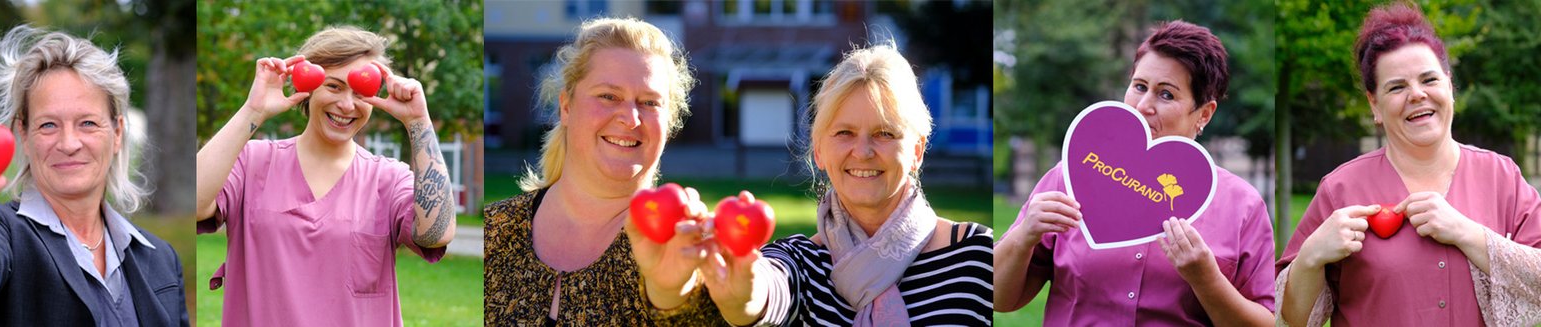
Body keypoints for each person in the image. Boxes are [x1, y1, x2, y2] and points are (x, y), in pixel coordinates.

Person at [636, 43, 995, 326]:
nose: (863, 151)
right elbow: (765, 291)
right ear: (820, 151)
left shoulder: (977, 254)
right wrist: (740, 294)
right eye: (844, 133)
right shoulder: (799, 261)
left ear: (916, 151)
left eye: (884, 133)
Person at [994, 20, 1277, 326]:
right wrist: (1023, 237)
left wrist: (1207, 280)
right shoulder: (1073, 177)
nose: (1143, 105)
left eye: (1166, 95)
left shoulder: (1241, 206)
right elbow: (1001, 299)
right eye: (1139, 86)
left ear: (1204, 114)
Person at [1275, 3, 1541, 326]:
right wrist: (1311, 256)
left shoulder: (1502, 177)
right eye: (1397, 87)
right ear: (1374, 104)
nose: (1417, 95)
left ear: (1449, 86)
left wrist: (1467, 233)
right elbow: (1292, 317)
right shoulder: (1340, 189)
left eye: (1429, 79)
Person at [195, 26, 455, 326]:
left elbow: (437, 233)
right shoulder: (253, 162)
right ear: (307, 87)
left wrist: (418, 121)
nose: (347, 105)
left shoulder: (388, 179)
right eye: (333, 86)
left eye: (360, 92)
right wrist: (254, 110)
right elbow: (194, 202)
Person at [481, 17, 724, 325]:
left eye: (649, 102)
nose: (631, 118)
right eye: (609, 96)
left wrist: (673, 294)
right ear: (566, 107)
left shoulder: (687, 247)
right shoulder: (495, 231)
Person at [0, 25, 188, 326]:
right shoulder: (2, 232)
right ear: (24, 134)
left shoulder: (162, 257)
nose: (68, 144)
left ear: (118, 132)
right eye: (48, 125)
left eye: (87, 123)